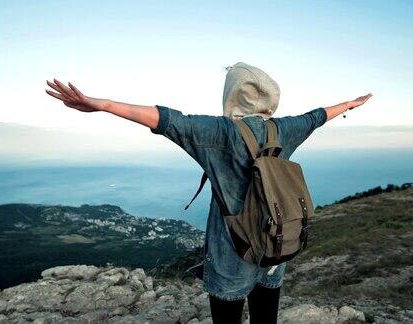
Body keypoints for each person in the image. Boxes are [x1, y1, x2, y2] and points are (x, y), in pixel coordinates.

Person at [45, 62, 373, 324]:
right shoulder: (284, 128)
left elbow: (165, 119)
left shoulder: (219, 133)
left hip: (232, 254)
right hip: (276, 245)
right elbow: (316, 117)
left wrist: (99, 104)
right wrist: (349, 104)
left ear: (233, 94)